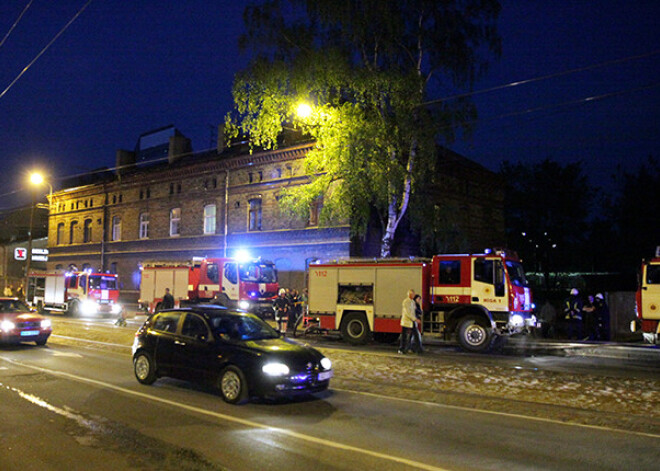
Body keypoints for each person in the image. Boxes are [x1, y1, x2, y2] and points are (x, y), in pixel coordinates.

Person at [399, 289, 417, 354]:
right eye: (413, 294)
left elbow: (413, 311)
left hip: (411, 322)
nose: (414, 295)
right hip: (406, 322)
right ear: (410, 294)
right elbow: (408, 312)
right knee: (404, 336)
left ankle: (408, 348)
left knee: (410, 336)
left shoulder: (412, 302)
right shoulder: (406, 302)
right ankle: (401, 349)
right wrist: (415, 319)